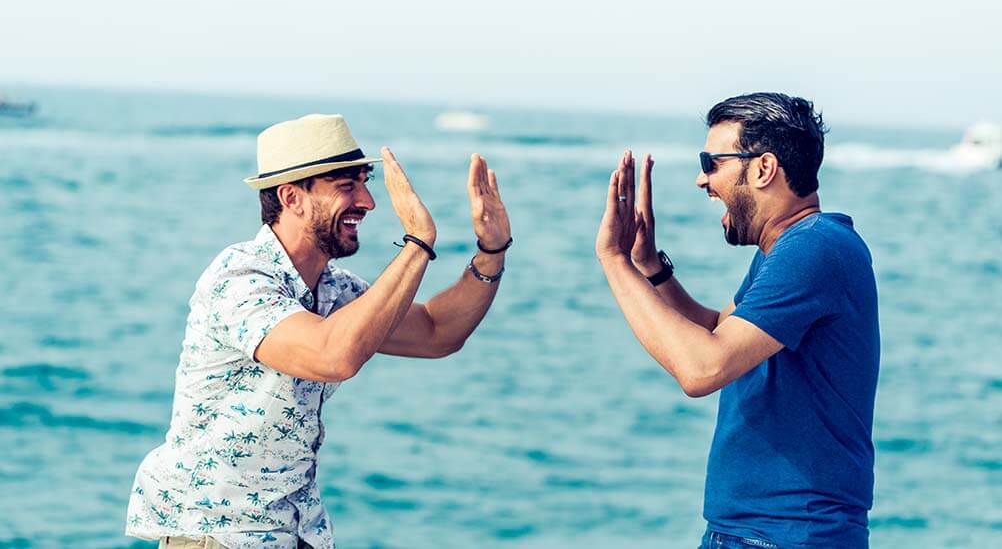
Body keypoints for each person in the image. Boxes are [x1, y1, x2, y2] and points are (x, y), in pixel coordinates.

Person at [126, 113, 512, 548]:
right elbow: (332, 357)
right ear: (292, 197)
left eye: (364, 182)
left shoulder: (334, 288)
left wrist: (491, 249)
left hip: (295, 534)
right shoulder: (240, 279)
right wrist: (418, 242)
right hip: (219, 535)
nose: (367, 201)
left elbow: (438, 332)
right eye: (347, 186)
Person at [595, 93, 879, 548]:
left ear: (763, 169)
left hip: (788, 534)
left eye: (712, 162)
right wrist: (648, 267)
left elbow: (702, 367)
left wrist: (612, 261)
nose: (701, 180)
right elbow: (716, 333)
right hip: (750, 532)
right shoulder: (790, 249)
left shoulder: (815, 248)